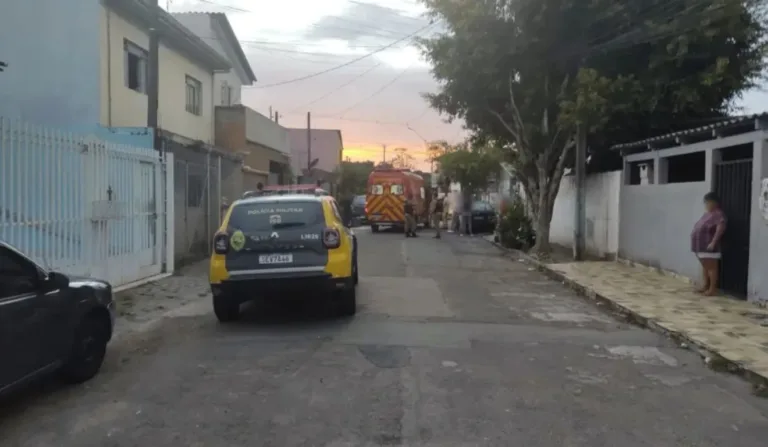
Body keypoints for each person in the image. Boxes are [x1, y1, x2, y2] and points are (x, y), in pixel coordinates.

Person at [691, 192, 726, 296]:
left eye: (708, 202)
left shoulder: (718, 214)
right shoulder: (707, 214)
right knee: (705, 267)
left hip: (709, 246)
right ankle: (705, 285)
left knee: (711, 267)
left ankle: (712, 289)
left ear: (714, 203)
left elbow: (720, 228)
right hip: (701, 246)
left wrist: (713, 242)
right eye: (705, 203)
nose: (706, 205)